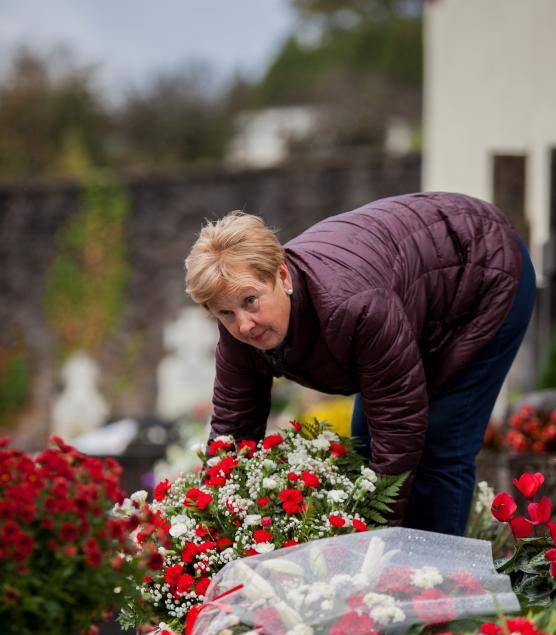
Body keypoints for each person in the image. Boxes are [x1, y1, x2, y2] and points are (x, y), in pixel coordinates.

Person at [184, 192, 536, 536]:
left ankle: (437, 584)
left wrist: (372, 549)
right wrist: (209, 533)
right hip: (410, 294)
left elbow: (399, 429)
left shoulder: (355, 308)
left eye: (251, 301)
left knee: (441, 444)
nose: (244, 324)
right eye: (226, 313)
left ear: (283, 277)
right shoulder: (241, 331)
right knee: (365, 447)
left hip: (483, 271)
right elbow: (233, 432)